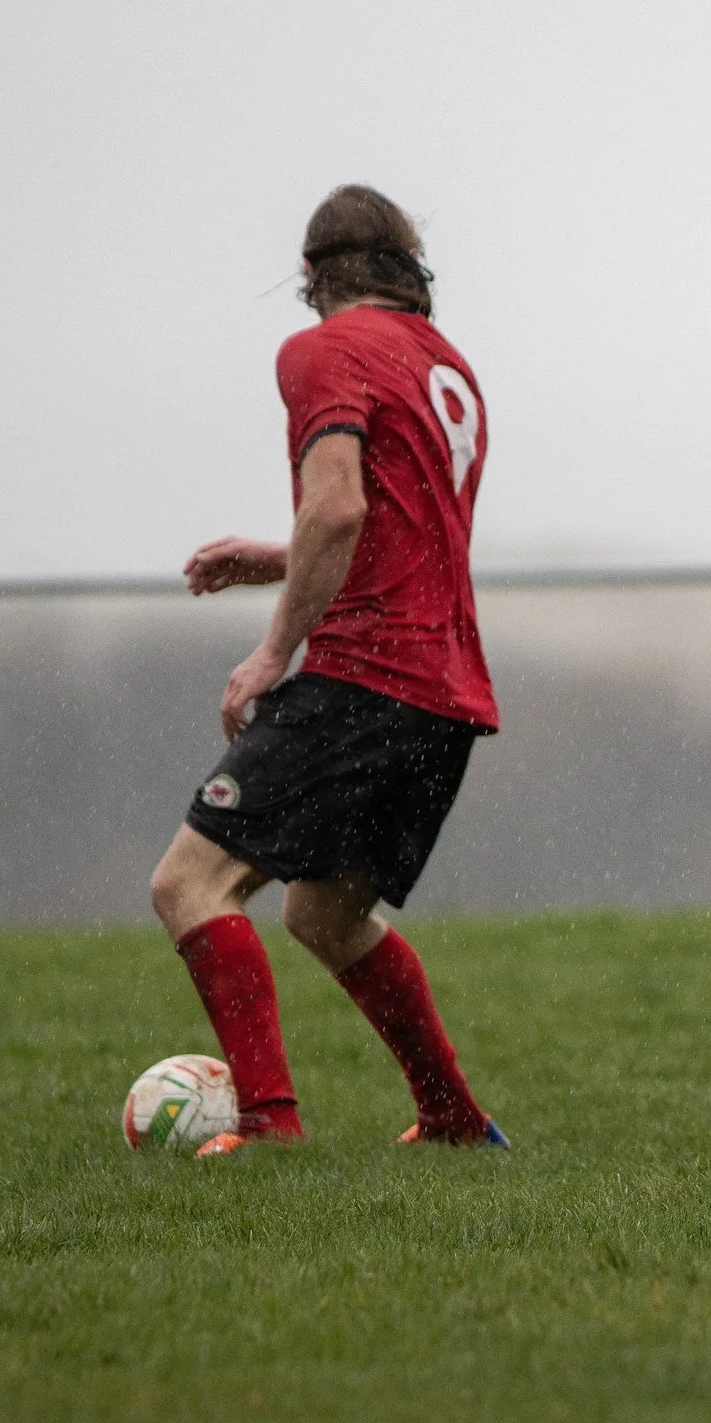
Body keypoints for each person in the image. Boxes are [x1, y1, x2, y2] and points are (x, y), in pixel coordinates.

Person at [146, 184, 507, 1156]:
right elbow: (399, 527)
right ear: (408, 266)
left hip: (365, 673)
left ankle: (268, 1126)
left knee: (190, 885)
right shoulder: (449, 368)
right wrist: (277, 555)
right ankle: (453, 1120)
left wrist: (272, 651)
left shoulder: (322, 351)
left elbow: (340, 509)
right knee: (329, 914)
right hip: (447, 693)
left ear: (310, 276)